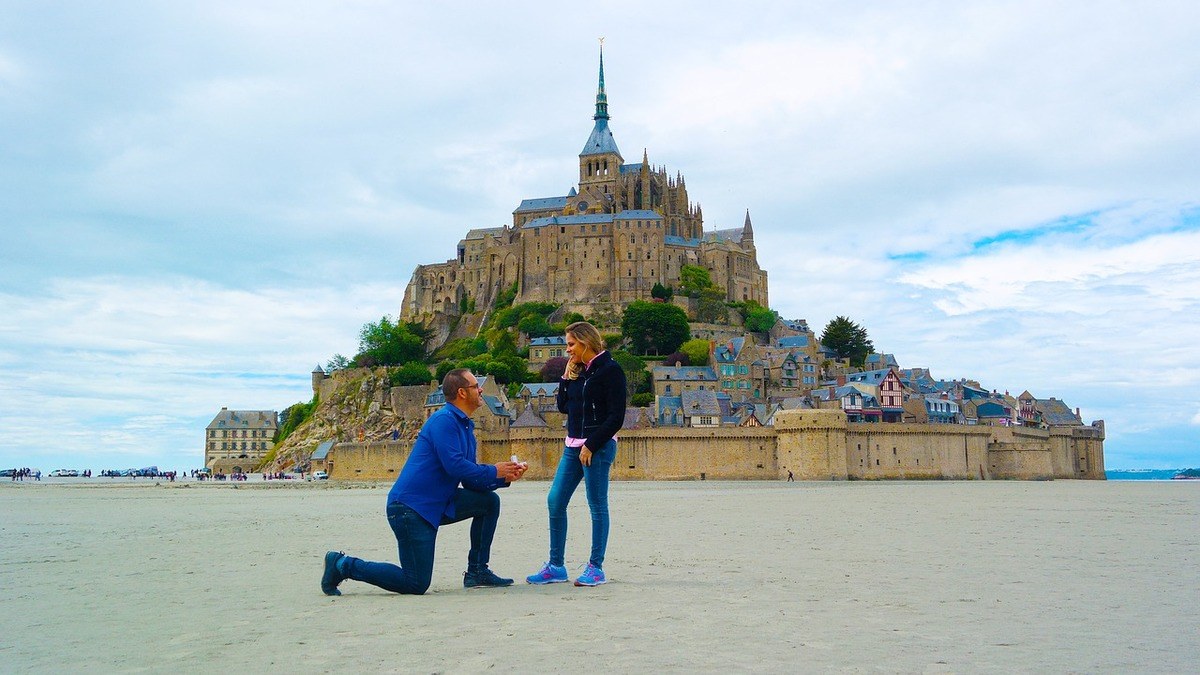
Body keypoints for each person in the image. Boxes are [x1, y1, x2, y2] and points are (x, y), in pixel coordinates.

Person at [321, 368, 528, 596]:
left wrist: (504, 477)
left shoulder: (466, 428)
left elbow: (470, 481)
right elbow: (455, 465)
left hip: (439, 503)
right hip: (410, 509)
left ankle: (477, 571)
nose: (481, 389)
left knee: (489, 502)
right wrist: (494, 470)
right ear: (461, 392)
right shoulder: (443, 420)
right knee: (416, 583)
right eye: (475, 386)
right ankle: (342, 565)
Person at [527, 321, 626, 587]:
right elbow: (562, 407)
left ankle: (596, 567)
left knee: (597, 505)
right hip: (572, 445)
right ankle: (556, 566)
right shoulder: (577, 371)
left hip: (598, 446)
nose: (567, 350)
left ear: (585, 342)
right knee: (555, 500)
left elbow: (616, 417)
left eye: (571, 344)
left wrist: (591, 444)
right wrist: (565, 378)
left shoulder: (611, 370)